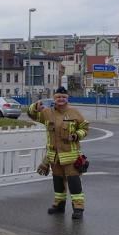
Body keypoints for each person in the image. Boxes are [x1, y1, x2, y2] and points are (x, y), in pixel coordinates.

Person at [28, 86, 89, 219]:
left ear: (67, 98)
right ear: (54, 98)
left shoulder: (74, 112)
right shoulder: (47, 112)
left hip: (71, 156)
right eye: (58, 97)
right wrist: (35, 107)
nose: (61, 99)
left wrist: (76, 135)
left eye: (63, 97)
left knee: (74, 183)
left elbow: (85, 128)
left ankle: (78, 208)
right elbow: (32, 115)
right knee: (58, 182)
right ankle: (59, 205)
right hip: (54, 156)